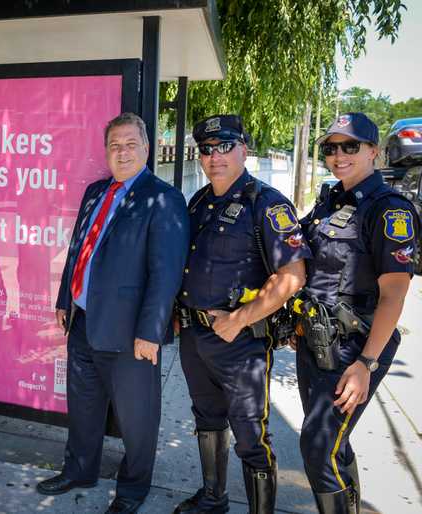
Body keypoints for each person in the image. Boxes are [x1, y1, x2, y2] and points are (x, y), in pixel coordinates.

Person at [35, 112, 189, 514]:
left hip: (130, 331)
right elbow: (77, 251)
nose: (121, 152)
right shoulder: (95, 192)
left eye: (129, 144)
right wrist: (64, 299)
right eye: (114, 146)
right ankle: (80, 469)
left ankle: (133, 490)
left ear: (147, 148)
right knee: (83, 406)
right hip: (84, 321)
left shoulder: (163, 198)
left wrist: (151, 331)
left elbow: (166, 272)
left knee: (137, 418)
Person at [175, 115, 309, 514]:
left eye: (224, 146)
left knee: (250, 434)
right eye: (206, 149)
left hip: (241, 344)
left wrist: (239, 319)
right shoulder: (199, 202)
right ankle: (213, 499)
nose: (214, 156)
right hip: (196, 336)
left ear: (244, 150)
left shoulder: (265, 203)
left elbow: (292, 276)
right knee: (207, 420)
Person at [295, 113, 418, 513]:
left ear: (373, 151)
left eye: (350, 146)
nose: (339, 155)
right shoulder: (331, 199)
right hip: (316, 340)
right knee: (333, 442)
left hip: (353, 349)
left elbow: (395, 293)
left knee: (317, 447)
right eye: (331, 147)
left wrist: (367, 362)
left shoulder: (389, 209)